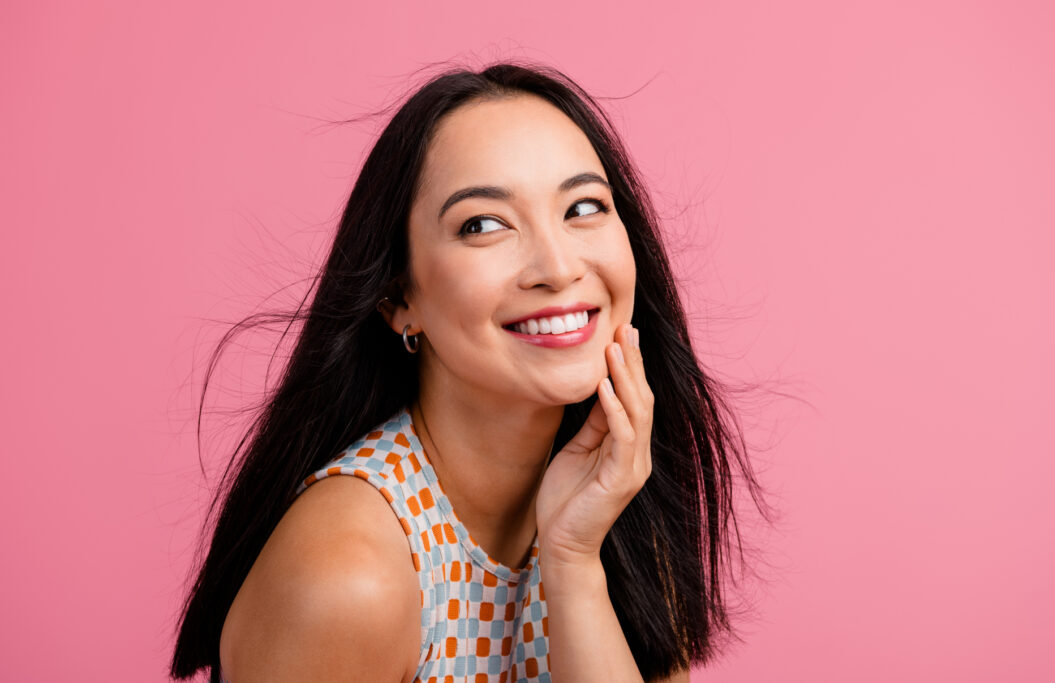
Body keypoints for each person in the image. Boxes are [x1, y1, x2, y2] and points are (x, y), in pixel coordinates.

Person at [171, 61, 763, 682]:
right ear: (400, 298)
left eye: (584, 207)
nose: (557, 267)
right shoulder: (347, 578)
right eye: (483, 225)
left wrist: (572, 563)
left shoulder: (612, 502)